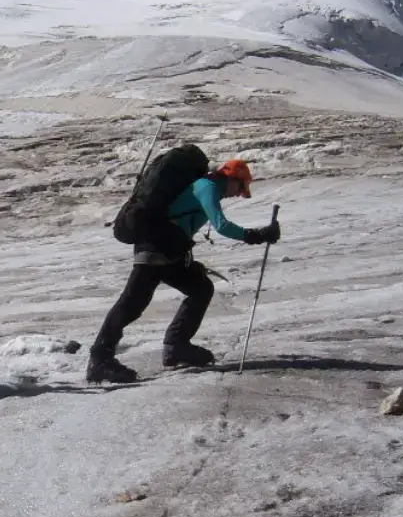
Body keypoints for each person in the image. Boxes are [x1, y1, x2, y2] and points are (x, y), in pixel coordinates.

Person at [87, 158, 279, 382]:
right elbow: (222, 226)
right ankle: (100, 359)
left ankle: (176, 346)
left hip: (169, 250)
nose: (238, 194)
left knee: (200, 287)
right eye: (240, 188)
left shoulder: (208, 187)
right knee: (132, 302)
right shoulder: (208, 187)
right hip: (156, 246)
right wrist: (257, 235)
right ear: (231, 178)